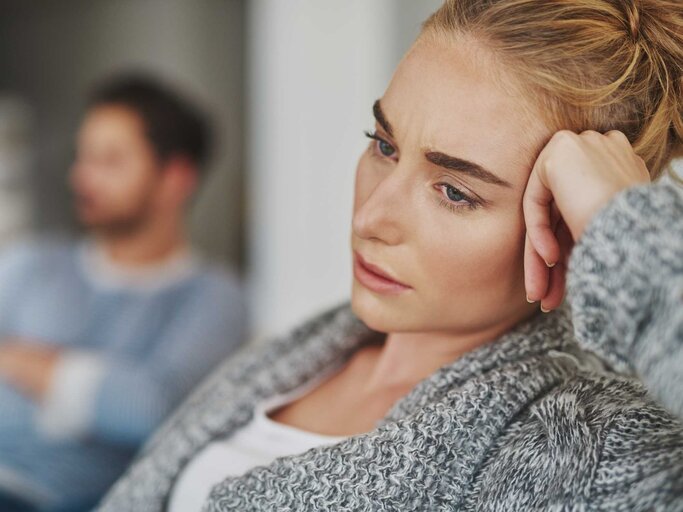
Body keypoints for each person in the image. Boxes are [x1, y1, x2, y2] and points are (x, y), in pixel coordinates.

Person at [97, 1, 683, 510]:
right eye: (384, 145)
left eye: (455, 191)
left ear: (566, 222)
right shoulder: (311, 351)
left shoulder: (580, 445)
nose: (369, 218)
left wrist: (623, 224)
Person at [0, 75, 246, 511]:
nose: (81, 177)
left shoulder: (214, 299)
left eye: (109, 161)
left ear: (175, 178)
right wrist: (97, 387)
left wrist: (21, 360)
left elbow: (155, 410)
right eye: (83, 157)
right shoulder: (31, 264)